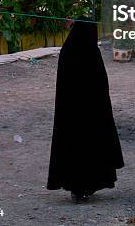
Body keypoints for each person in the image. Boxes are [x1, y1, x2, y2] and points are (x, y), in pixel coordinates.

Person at [48, 20, 124, 202]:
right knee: (91, 149)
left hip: (70, 116)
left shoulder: (68, 51)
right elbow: (101, 86)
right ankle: (85, 186)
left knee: (74, 149)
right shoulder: (91, 54)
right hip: (91, 116)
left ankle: (77, 188)